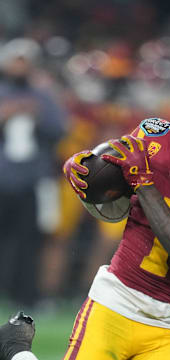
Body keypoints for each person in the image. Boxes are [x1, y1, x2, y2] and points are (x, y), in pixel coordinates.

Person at [0, 65, 170, 360]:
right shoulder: (156, 137)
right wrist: (86, 171)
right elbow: (104, 172)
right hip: (115, 303)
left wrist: (144, 184)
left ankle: (15, 353)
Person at [0, 38, 67, 308]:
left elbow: (59, 130)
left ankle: (26, 295)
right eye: (16, 60)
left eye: (25, 61)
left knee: (30, 239)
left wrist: (37, 114)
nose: (20, 66)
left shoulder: (43, 96)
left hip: (32, 179)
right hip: (2, 178)